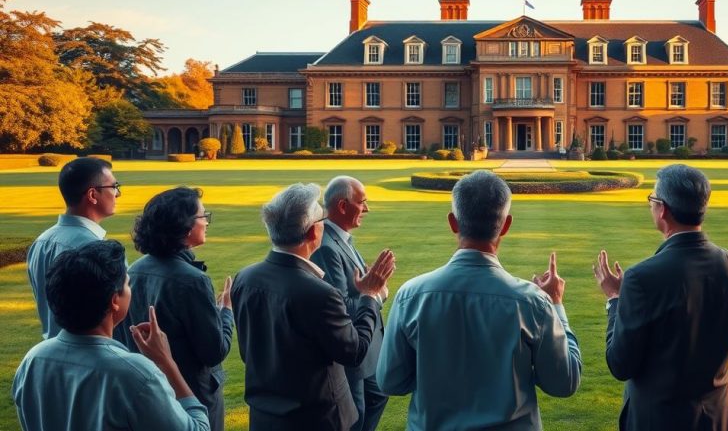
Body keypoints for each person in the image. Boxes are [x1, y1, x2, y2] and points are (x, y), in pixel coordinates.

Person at [377, 170, 582, 430]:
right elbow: (564, 383)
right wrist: (556, 305)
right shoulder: (533, 303)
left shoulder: (411, 295)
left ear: (453, 222)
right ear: (505, 225)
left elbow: (390, 381)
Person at [594, 164, 728, 431]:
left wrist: (615, 299)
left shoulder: (642, 278)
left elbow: (620, 364)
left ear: (663, 209)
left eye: (652, 200)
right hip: (716, 416)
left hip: (660, 418)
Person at [232, 183, 395, 431]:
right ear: (312, 232)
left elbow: (249, 351)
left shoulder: (244, 278)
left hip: (265, 416)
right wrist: (370, 296)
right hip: (317, 418)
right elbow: (354, 352)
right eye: (322, 219)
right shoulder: (320, 293)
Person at [12, 240, 210, 431]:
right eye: (127, 284)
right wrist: (167, 363)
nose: (129, 290)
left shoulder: (33, 360)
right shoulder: (134, 376)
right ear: (115, 300)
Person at [126, 187, 234, 431]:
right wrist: (226, 310)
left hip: (147, 389)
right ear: (184, 226)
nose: (206, 222)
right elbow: (214, 352)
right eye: (202, 216)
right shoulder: (193, 281)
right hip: (192, 397)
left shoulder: (134, 270)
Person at [310, 176, 388, 431]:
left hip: (369, 349)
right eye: (362, 202)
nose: (367, 209)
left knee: (378, 395)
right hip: (352, 351)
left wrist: (365, 287)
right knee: (355, 417)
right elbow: (338, 309)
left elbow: (351, 290)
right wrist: (375, 294)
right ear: (342, 206)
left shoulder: (342, 239)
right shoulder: (326, 247)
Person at [27, 157, 121, 340]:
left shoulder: (41, 242)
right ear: (93, 195)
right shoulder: (97, 250)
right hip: (92, 354)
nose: (117, 194)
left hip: (53, 352)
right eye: (114, 186)